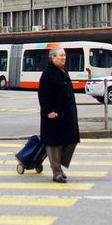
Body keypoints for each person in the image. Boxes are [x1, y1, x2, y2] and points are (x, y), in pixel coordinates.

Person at [37, 47, 80, 183]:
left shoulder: (63, 71)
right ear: (53, 58)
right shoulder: (48, 73)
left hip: (67, 114)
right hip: (54, 115)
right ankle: (56, 172)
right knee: (54, 144)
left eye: (65, 55)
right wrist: (48, 111)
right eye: (61, 55)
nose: (64, 58)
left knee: (71, 140)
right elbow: (43, 95)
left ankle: (59, 167)